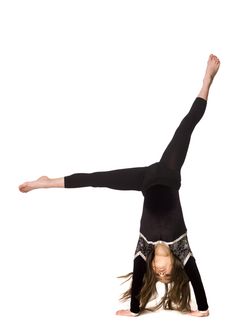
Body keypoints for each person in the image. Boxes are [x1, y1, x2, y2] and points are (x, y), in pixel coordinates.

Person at [19, 54, 220, 317]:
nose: (161, 274)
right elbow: (198, 291)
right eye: (168, 275)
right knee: (187, 125)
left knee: (96, 179)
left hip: (145, 182)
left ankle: (46, 183)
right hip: (169, 173)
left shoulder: (143, 248)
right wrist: (202, 309)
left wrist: (135, 310)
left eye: (157, 277)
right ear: (176, 264)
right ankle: (207, 79)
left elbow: (138, 281)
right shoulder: (181, 247)